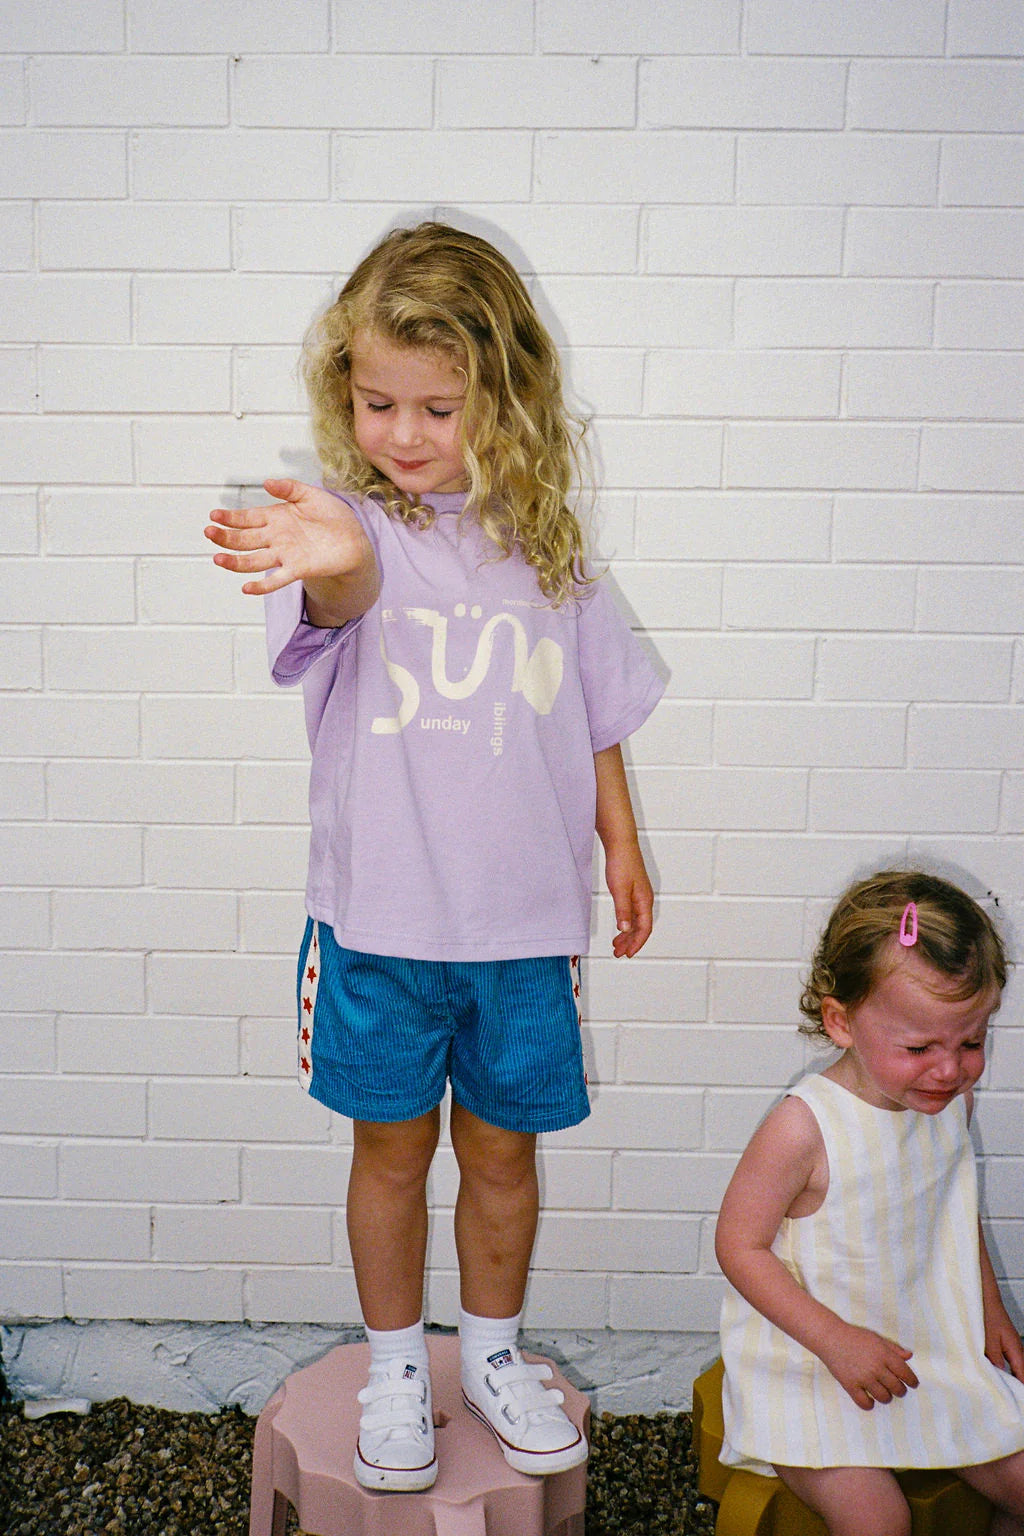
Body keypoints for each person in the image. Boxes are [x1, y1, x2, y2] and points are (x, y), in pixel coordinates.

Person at [205, 223, 663, 1492]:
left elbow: (596, 717)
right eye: (376, 402)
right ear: (344, 398)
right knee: (392, 1154)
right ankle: (400, 1361)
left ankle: (496, 1355)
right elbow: (342, 596)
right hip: (376, 928)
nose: (404, 433)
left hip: (523, 929)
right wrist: (339, 559)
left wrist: (621, 846)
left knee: (505, 1156)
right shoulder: (338, 531)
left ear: (501, 396)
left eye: (437, 407)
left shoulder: (550, 549)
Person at [715, 870, 1024, 1536]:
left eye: (971, 1042)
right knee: (878, 1521)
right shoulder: (804, 1128)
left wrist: (990, 1309)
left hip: (923, 1344)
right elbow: (739, 1247)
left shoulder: (943, 1103)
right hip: (811, 1360)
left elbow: (949, 1208)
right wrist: (836, 1342)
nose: (950, 1069)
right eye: (919, 1048)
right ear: (840, 1021)